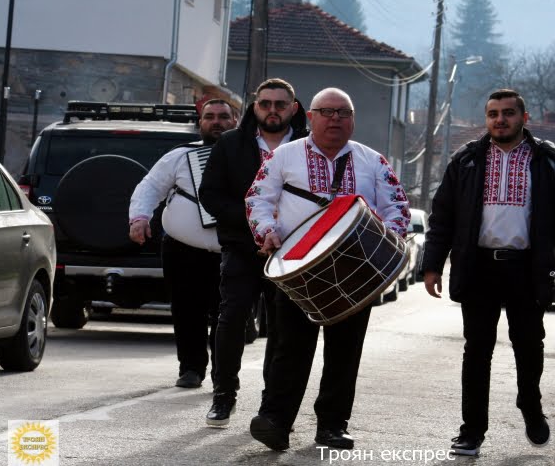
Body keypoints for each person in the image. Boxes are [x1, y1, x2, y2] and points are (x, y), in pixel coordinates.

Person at [421, 89, 555, 455]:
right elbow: (442, 217)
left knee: (529, 347)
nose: (500, 120)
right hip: (478, 267)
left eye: (508, 113)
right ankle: (472, 431)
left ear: (523, 118)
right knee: (477, 351)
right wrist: (432, 265)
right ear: (486, 119)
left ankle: (530, 406)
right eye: (493, 113)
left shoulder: (548, 161)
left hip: (528, 269)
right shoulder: (465, 161)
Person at [244, 87, 410, 451]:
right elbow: (258, 198)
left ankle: (333, 427)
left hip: (356, 274)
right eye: (327, 112)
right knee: (290, 348)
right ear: (311, 117)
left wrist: (390, 240)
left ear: (352, 119)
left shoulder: (373, 161)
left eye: (343, 113)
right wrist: (267, 232)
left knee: (345, 352)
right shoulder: (283, 156)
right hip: (298, 270)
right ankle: (275, 421)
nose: (335, 119)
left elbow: (398, 207)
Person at [199, 78, 309, 427]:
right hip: (242, 248)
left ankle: (270, 404)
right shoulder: (231, 144)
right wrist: (253, 223)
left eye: (280, 104)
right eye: (265, 104)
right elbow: (211, 194)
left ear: (293, 108)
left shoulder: (309, 147)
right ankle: (223, 396)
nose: (272, 110)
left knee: (281, 328)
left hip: (292, 252)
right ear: (254, 106)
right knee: (230, 321)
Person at [128, 99, 238, 389]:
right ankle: (191, 368)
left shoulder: (251, 156)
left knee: (228, 313)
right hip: (182, 249)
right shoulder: (178, 156)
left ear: (235, 121)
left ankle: (223, 373)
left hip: (232, 249)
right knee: (187, 309)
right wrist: (139, 218)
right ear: (199, 123)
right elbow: (150, 186)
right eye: (209, 117)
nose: (216, 122)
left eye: (223, 117)